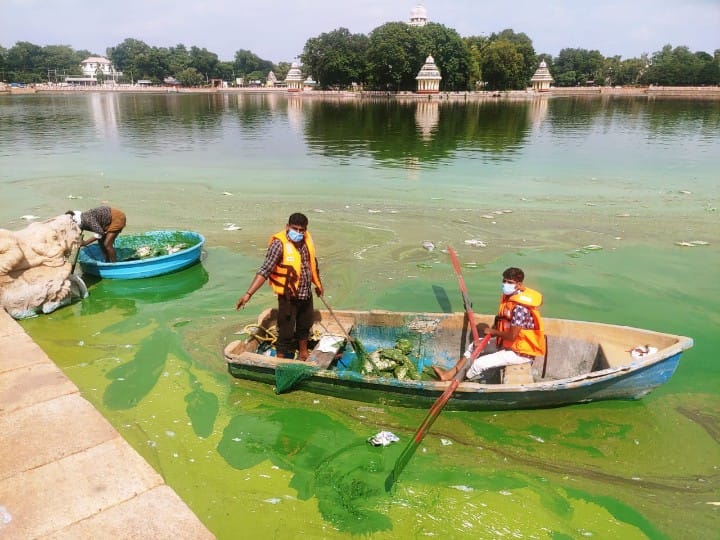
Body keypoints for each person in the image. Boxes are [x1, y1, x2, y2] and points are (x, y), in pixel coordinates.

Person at [236, 212, 324, 361]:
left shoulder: (307, 241)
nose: (298, 233)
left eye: (302, 230)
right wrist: (248, 294)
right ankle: (280, 359)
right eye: (295, 229)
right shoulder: (279, 244)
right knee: (286, 331)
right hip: (288, 297)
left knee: (305, 324)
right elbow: (265, 270)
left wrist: (318, 284)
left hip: (305, 294)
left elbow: (312, 264)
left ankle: (303, 352)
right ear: (287, 227)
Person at [434, 267, 546, 381]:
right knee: (474, 345)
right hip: (508, 344)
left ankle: (457, 382)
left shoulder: (520, 308)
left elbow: (512, 336)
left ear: (518, 285)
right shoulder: (508, 299)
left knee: (478, 364)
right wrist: (489, 337)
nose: (505, 284)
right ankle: (448, 375)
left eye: (510, 282)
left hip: (520, 353)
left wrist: (492, 332)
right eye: (504, 281)